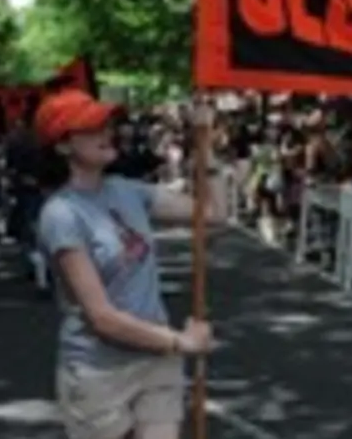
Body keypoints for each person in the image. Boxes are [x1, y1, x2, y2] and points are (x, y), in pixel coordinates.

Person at [34, 90, 227, 439]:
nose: (107, 133)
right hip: (100, 371)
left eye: (107, 125)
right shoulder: (61, 214)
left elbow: (211, 214)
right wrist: (179, 342)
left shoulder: (126, 190)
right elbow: (102, 318)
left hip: (156, 358)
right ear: (63, 146)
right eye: (91, 128)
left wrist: (204, 143)